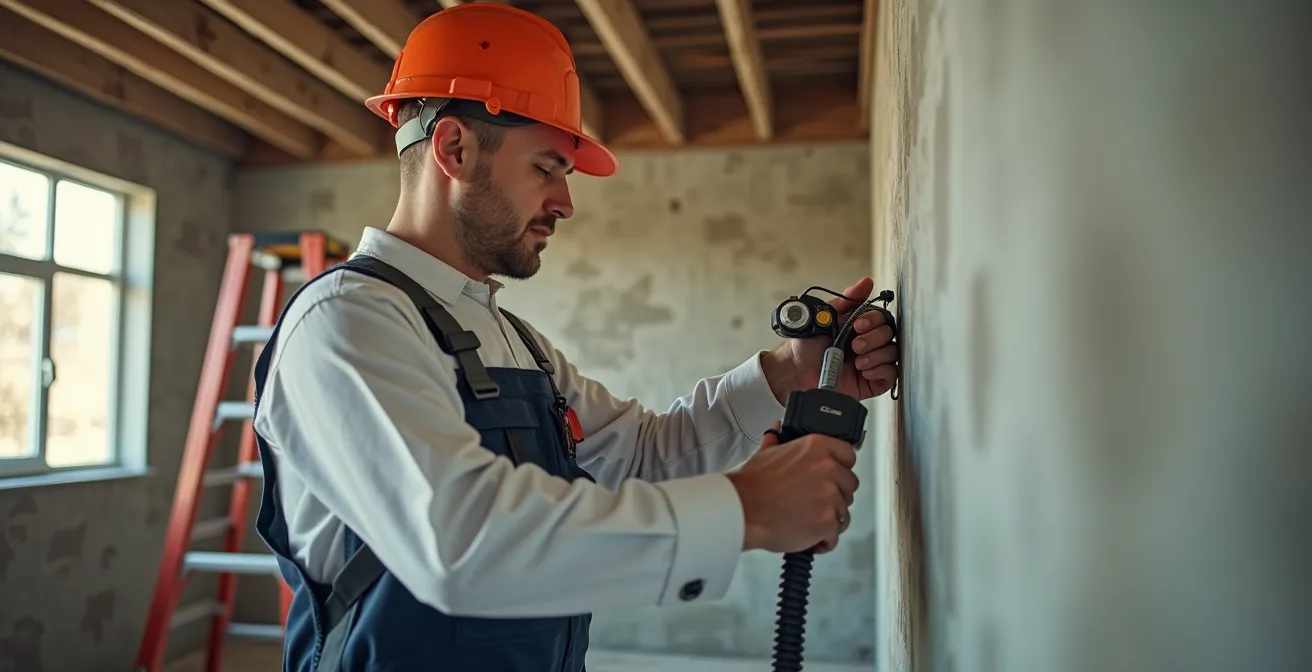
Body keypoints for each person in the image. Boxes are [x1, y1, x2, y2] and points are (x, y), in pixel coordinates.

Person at [250, 4, 899, 671]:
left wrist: (791, 374)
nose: (566, 202)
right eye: (547, 167)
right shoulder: (346, 322)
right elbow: (459, 540)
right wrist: (748, 507)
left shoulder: (513, 341)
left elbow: (645, 453)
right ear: (454, 149)